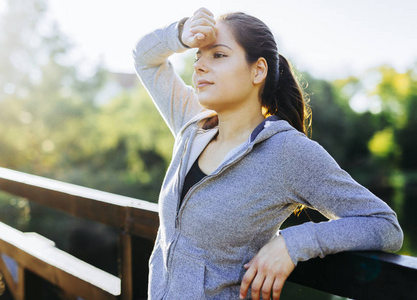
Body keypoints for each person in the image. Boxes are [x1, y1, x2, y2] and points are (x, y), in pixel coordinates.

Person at [132, 7, 403, 300]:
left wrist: (293, 242)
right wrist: (181, 33)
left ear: (258, 70)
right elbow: (144, 59)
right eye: (198, 57)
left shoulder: (287, 152)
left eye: (218, 55)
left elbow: (384, 226)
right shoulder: (192, 126)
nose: (198, 66)